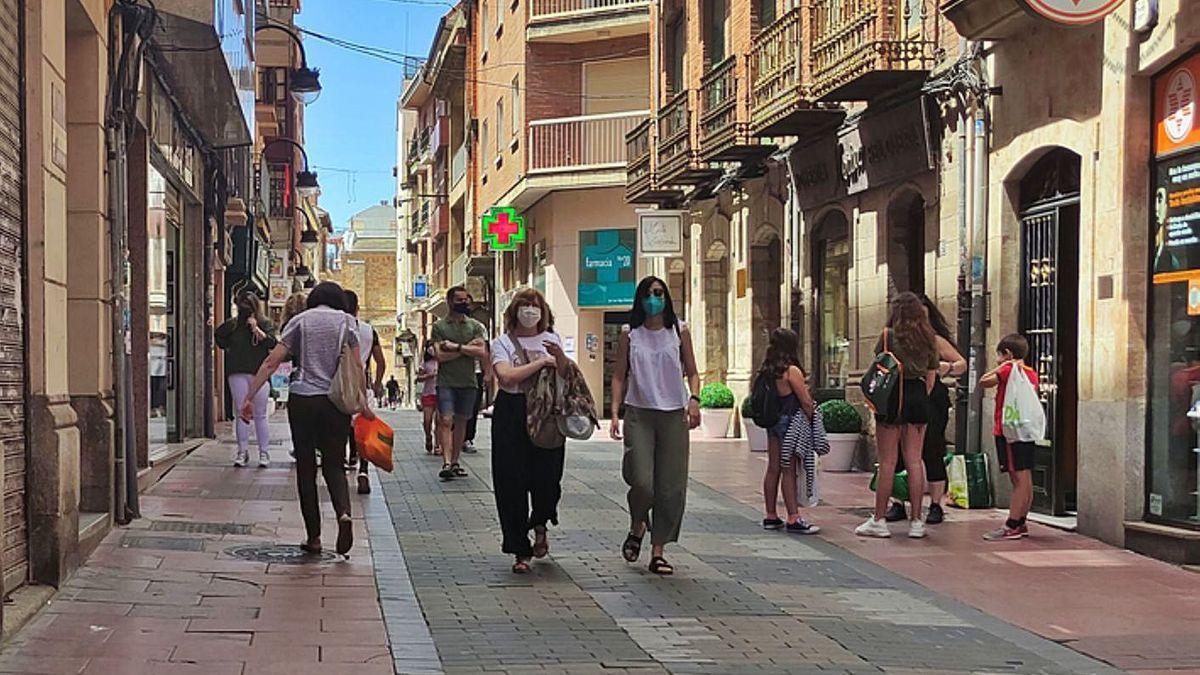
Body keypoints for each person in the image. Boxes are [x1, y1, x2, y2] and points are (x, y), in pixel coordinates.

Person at [240, 281, 372, 557]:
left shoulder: (300, 321)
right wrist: (363, 403)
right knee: (334, 464)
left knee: (306, 468)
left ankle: (313, 537)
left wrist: (250, 396)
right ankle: (344, 514)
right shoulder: (347, 322)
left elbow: (272, 361)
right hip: (335, 401)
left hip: (303, 399)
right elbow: (358, 365)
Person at [610, 277, 702, 575]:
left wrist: (695, 399)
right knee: (642, 480)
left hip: (673, 414)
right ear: (639, 298)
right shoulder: (630, 334)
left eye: (659, 293)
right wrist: (614, 412)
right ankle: (638, 523)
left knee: (671, 487)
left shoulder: (679, 330)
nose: (654, 298)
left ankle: (658, 549)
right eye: (649, 294)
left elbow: (693, 372)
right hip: (640, 413)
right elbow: (619, 376)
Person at [490, 288, 571, 573]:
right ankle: (518, 549)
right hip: (512, 410)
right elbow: (505, 376)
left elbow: (566, 374)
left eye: (534, 305)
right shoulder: (501, 343)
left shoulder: (552, 340)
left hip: (546, 412)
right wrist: (541, 362)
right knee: (510, 480)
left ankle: (540, 522)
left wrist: (559, 357)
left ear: (543, 310)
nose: (529, 310)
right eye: (524, 305)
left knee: (547, 478)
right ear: (514, 311)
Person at [856, 291, 940, 540]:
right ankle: (916, 521)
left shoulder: (887, 336)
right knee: (915, 461)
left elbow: (879, 366)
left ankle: (879, 520)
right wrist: (919, 396)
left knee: (888, 462)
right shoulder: (929, 338)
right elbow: (932, 375)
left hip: (892, 397)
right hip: (917, 397)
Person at [884, 295, 967, 525]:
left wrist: (946, 368)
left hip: (930, 400)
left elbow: (961, 363)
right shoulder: (894, 338)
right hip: (906, 397)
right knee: (900, 455)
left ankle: (936, 504)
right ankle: (898, 502)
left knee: (932, 449)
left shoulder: (934, 340)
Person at [757, 328, 819, 534]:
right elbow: (806, 402)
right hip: (790, 423)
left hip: (774, 423)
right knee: (789, 469)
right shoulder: (791, 371)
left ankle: (771, 515)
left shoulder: (769, 369)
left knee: (773, 467)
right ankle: (794, 517)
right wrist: (812, 419)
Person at [979, 333, 1040, 541]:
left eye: (998, 354)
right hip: (1025, 429)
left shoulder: (1007, 370)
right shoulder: (1031, 373)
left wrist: (1003, 365)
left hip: (1008, 431)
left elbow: (984, 382)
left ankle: (1012, 524)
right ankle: (1021, 521)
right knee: (1026, 477)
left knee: (1018, 478)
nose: (997, 359)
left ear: (1007, 353)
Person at [432, 286, 488, 480]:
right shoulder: (439, 327)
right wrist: (466, 350)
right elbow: (439, 356)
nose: (464, 303)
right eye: (459, 300)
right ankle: (447, 462)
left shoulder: (475, 326)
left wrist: (455, 347)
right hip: (446, 381)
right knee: (446, 420)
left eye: (466, 299)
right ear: (449, 302)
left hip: (468, 382)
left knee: (461, 422)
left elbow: (481, 351)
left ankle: (455, 461)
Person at [215, 291, 277, 468]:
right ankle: (242, 451)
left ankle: (264, 452)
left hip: (259, 373)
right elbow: (219, 336)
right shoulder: (233, 325)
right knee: (241, 413)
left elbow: (272, 343)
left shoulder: (264, 324)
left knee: (260, 414)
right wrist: (228, 348)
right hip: (238, 372)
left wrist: (257, 329)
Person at [345, 290, 386, 494]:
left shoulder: (336, 328)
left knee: (342, 424)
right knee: (363, 427)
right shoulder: (369, 331)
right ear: (357, 308)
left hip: (339, 385)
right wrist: (377, 383)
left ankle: (344, 460)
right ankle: (363, 469)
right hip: (364, 384)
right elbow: (381, 362)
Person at [416, 344, 440, 454]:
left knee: (440, 421)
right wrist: (428, 376)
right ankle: (428, 436)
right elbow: (419, 378)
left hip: (441, 394)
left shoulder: (443, 361)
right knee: (427, 420)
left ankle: (438, 445)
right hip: (428, 394)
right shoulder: (425, 364)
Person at [148, 333, 168, 419]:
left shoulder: (163, 344)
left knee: (160, 390)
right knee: (155, 389)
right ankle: (154, 408)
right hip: (153, 371)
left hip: (161, 371)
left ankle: (159, 407)